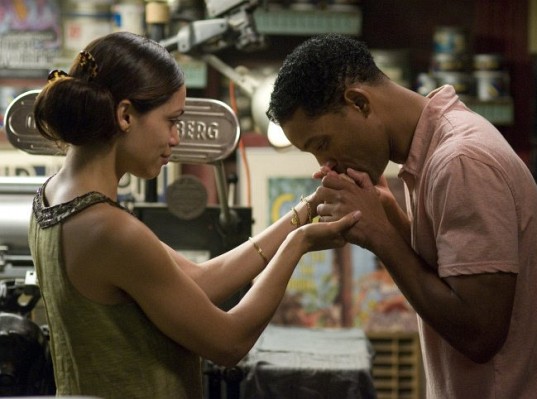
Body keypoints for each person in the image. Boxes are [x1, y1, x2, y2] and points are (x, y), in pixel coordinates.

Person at [29, 31, 360, 399]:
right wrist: (299, 244)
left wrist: (303, 212)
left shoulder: (52, 197)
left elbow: (200, 281)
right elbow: (229, 342)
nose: (175, 138)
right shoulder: (109, 231)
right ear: (125, 115)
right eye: (171, 120)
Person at [267, 33, 537, 398]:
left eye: (322, 144)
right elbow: (452, 273)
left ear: (359, 103)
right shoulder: (433, 150)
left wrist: (381, 237)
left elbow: (479, 333)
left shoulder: (460, 161)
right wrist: (389, 215)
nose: (324, 166)